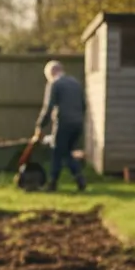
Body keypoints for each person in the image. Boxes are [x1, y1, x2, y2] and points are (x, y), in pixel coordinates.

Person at [32, 60, 87, 192]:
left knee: (57, 152)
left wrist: (40, 125)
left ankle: (53, 183)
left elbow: (48, 106)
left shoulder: (55, 84)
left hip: (64, 123)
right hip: (78, 123)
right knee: (67, 153)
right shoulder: (76, 83)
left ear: (51, 73)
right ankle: (79, 178)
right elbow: (84, 104)